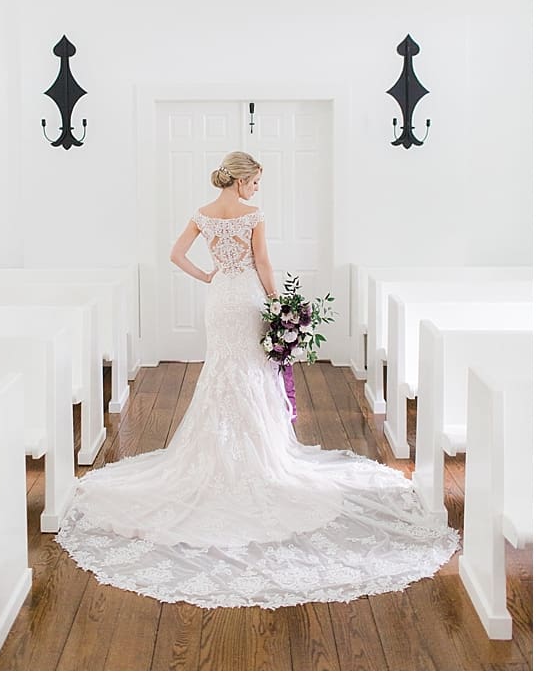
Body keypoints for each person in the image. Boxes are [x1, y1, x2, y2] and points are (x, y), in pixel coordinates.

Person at [53, 151, 459, 608]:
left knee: (222, 370)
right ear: (242, 180)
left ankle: (219, 453)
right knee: (252, 372)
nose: (257, 189)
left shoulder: (203, 214)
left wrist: (207, 275)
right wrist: (278, 302)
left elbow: (175, 254)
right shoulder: (252, 215)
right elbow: (263, 262)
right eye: (255, 182)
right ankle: (258, 454)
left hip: (219, 298)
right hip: (246, 297)